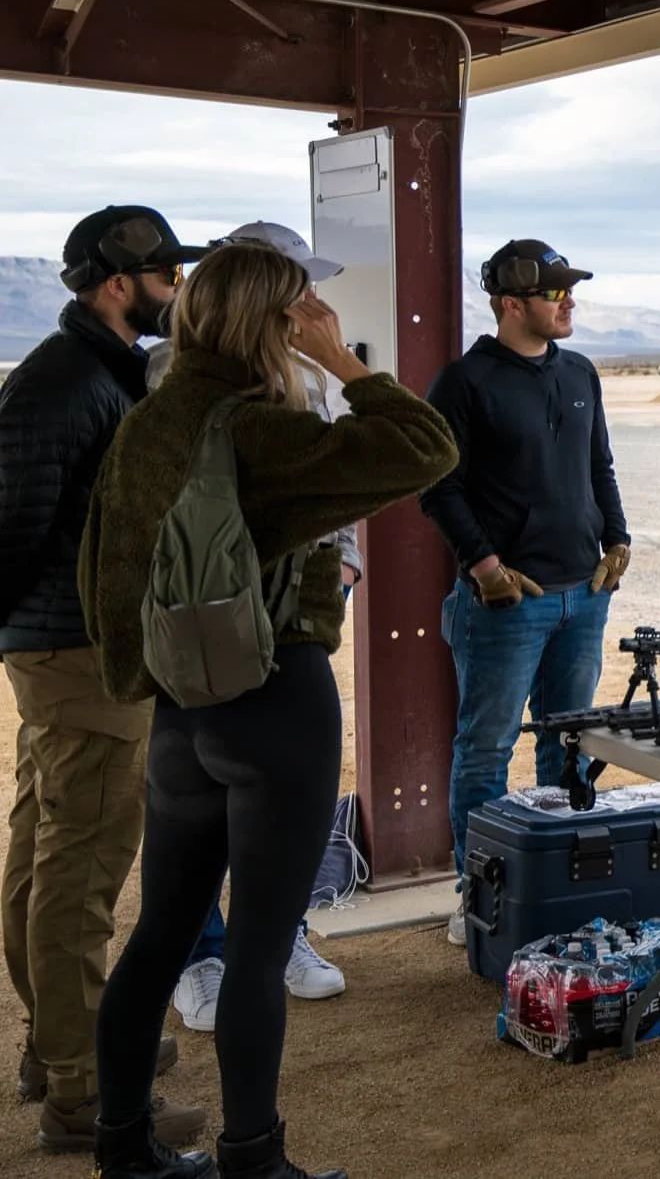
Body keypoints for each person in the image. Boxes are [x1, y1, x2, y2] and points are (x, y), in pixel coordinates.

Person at [79, 242, 458, 1179]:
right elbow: (426, 447)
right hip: (275, 699)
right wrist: (343, 362)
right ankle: (254, 1160)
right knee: (258, 946)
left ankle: (122, 1147)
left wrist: (151, 682)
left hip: (180, 713)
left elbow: (106, 572)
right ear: (278, 321)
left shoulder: (152, 419)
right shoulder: (260, 428)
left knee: (160, 931)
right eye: (305, 309)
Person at [0, 205, 207, 1153]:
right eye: (167, 276)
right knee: (79, 872)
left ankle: (62, 1043)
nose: (176, 291)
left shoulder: (95, 371)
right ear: (120, 284)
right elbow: (15, 523)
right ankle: (82, 1092)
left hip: (64, 650)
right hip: (78, 655)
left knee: (45, 851)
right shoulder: (66, 382)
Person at [146, 223, 353, 1031]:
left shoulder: (305, 380)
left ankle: (281, 932)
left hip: (292, 629)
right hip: (203, 631)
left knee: (285, 810)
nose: (311, 301)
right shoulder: (172, 381)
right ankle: (201, 954)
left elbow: (343, 488)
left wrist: (343, 568)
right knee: (197, 813)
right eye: (295, 283)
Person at [418, 239, 630, 947]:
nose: (569, 302)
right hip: (505, 605)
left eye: (570, 290)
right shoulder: (465, 383)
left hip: (583, 595)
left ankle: (560, 881)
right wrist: (485, 568)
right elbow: (438, 488)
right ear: (512, 304)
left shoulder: (580, 373)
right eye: (555, 292)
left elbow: (598, 462)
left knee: (567, 744)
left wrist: (618, 540)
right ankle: (477, 896)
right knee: (486, 749)